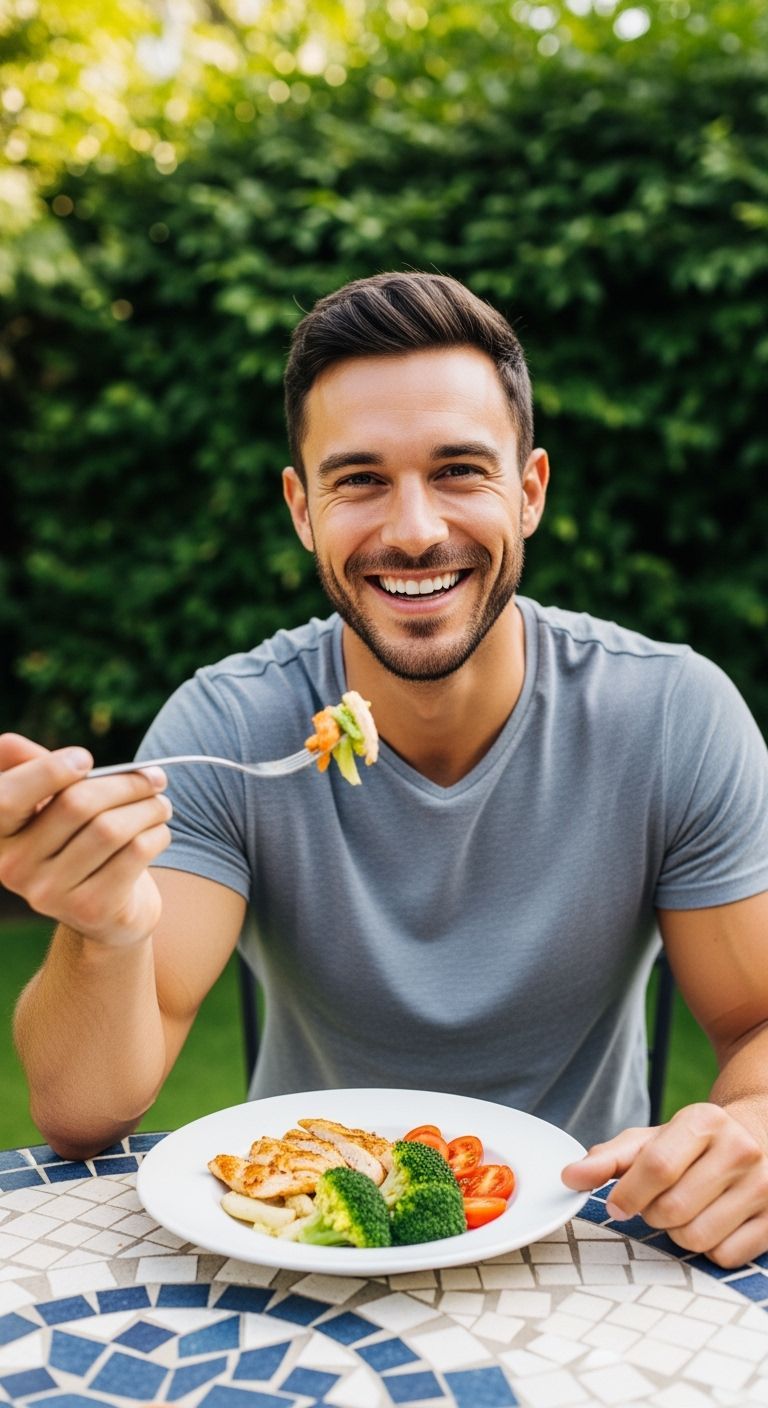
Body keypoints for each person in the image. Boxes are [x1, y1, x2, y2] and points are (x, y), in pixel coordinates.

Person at [5, 271, 768, 1269]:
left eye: (460, 470)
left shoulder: (669, 715)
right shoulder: (230, 723)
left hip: (582, 1253)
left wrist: (753, 1123)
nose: (414, 528)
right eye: (360, 479)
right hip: (301, 1251)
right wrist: (103, 926)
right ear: (302, 508)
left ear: (530, 491)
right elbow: (82, 1111)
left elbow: (756, 1020)